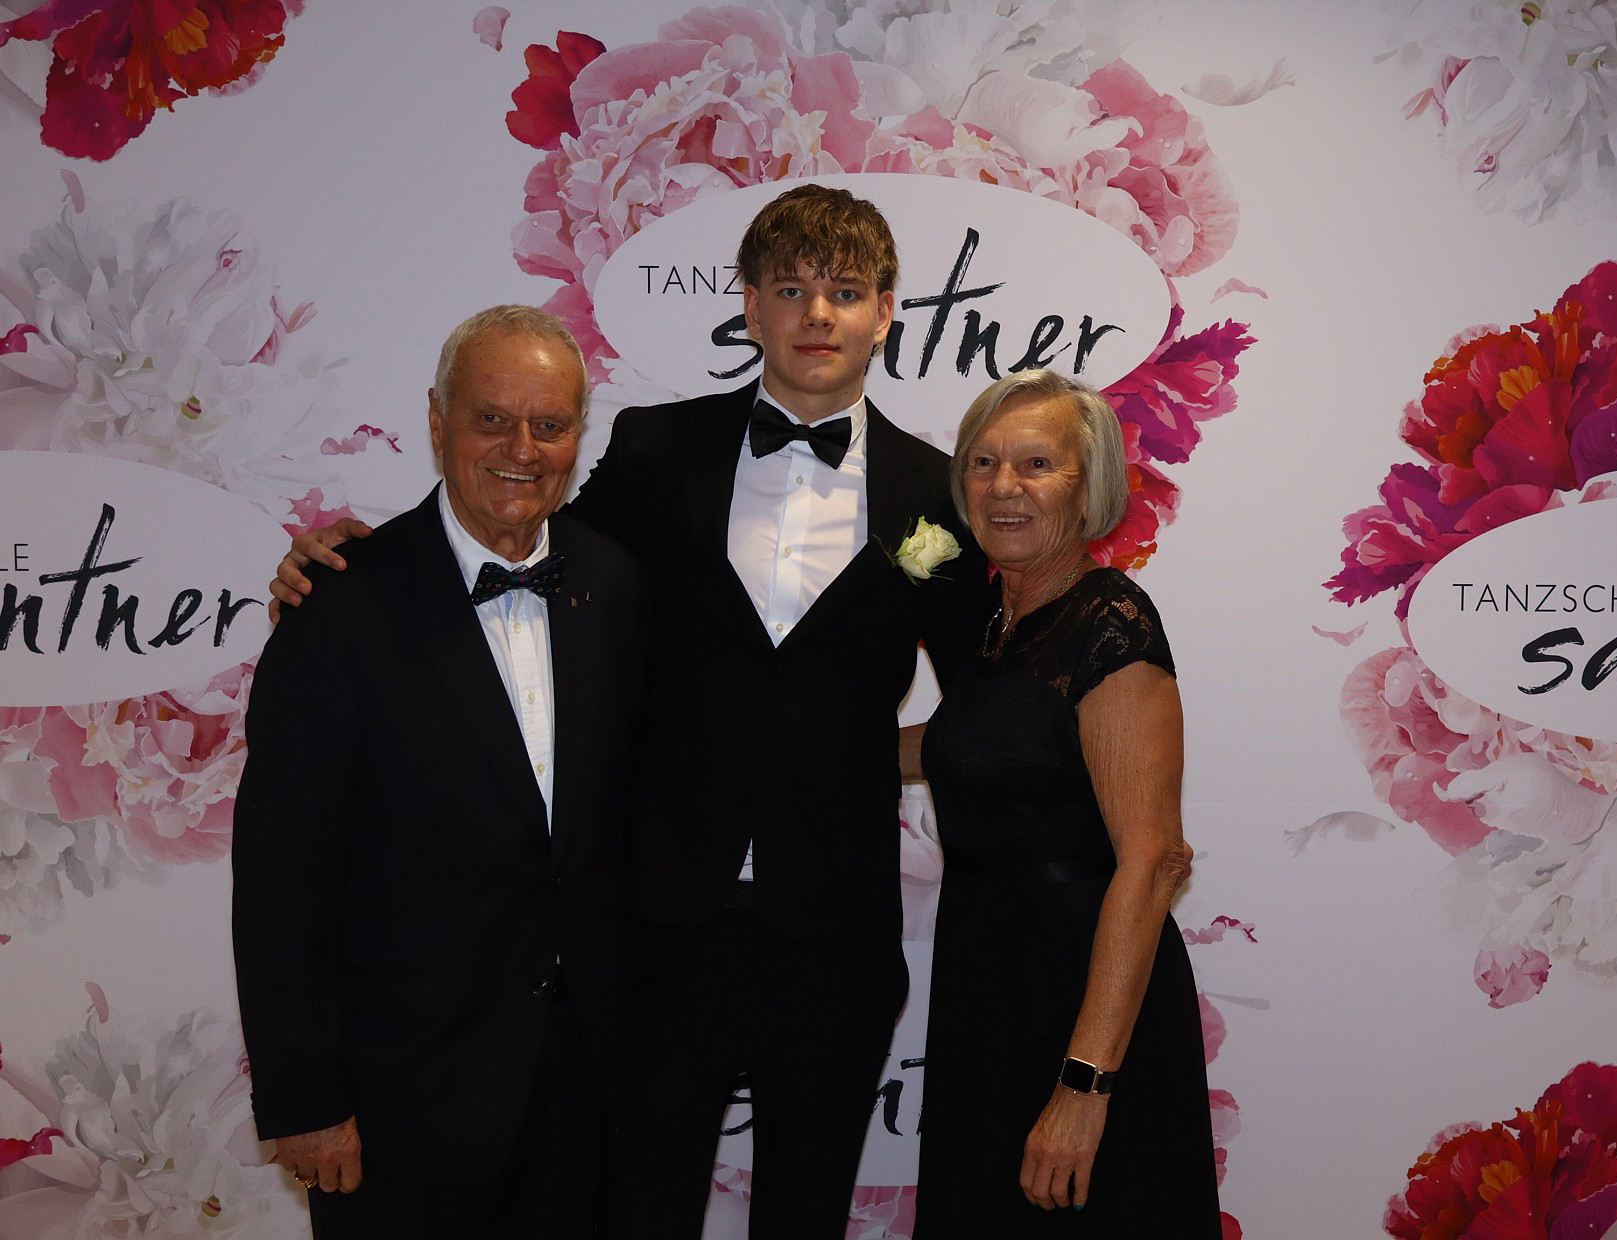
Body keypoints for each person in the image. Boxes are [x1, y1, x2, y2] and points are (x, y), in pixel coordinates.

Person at [268, 186, 988, 1237]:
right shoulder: (657, 450)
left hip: (835, 936)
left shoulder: (936, 496)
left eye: (844, 292)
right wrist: (355, 557)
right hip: (655, 931)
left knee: (807, 1216)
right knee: (633, 1215)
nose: (817, 315)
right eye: (791, 290)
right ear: (750, 306)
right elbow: (516, 534)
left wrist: (872, 756)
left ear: (885, 313)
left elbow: (984, 697)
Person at [232, 305, 649, 1239]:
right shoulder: (340, 607)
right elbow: (280, 881)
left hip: (583, 1097)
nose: (522, 449)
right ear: (436, 420)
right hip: (398, 1106)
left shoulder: (617, 586)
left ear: (579, 435)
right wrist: (306, 1099)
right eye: (491, 418)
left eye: (549, 425)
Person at [914, 369, 1220, 1235]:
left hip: (1084, 1014)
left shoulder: (1110, 621)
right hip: (987, 997)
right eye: (983, 463)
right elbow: (976, 743)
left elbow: (1152, 860)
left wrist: (1085, 1087)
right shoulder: (994, 619)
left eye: (1037, 464)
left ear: (1090, 491)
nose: (1003, 486)